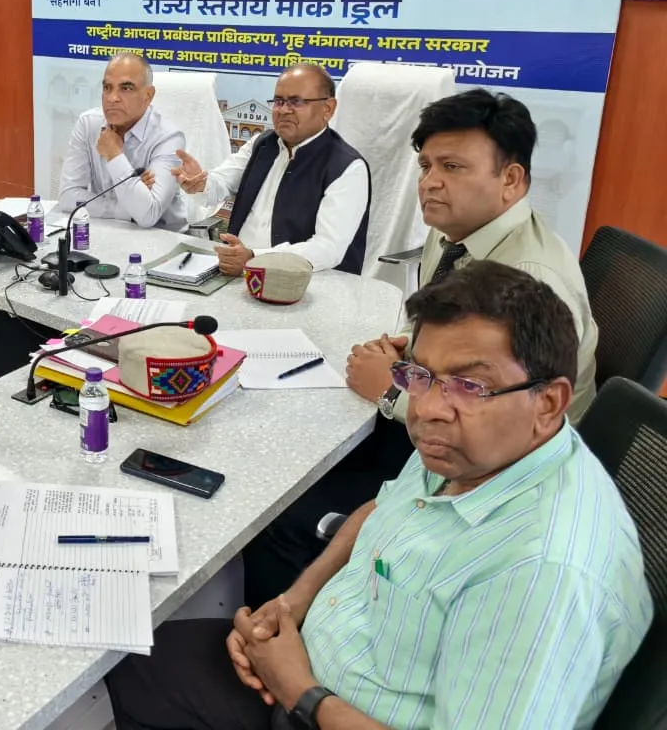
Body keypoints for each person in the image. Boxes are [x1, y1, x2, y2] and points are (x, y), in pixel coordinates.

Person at [106, 261, 651, 730]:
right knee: (133, 664)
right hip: (323, 658)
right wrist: (294, 602)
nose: (428, 408)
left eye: (470, 386)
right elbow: (382, 509)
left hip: (318, 708)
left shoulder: (539, 574)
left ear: (549, 403)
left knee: (135, 683)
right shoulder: (476, 449)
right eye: (421, 375)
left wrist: (300, 690)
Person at [240, 87, 600, 610]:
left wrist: (391, 391)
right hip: (456, 425)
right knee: (288, 445)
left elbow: (510, 426)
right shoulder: (456, 231)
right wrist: (412, 348)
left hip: (492, 480)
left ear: (510, 179)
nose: (430, 182)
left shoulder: (529, 279)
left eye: (453, 167)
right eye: (426, 165)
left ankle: (281, 633)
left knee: (276, 511)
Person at [171, 64, 370, 274]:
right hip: (237, 272)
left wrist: (254, 258)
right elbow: (222, 182)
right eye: (279, 101)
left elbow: (327, 249)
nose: (283, 110)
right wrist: (200, 184)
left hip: (306, 281)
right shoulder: (263, 144)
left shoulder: (347, 167)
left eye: (296, 101)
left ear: (327, 109)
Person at [57, 53, 188, 232]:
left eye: (126, 88)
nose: (112, 98)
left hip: (163, 237)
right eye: (107, 87)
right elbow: (68, 197)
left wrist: (114, 155)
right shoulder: (88, 124)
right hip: (109, 230)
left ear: (148, 95)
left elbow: (148, 214)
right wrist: (129, 205)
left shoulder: (169, 138)